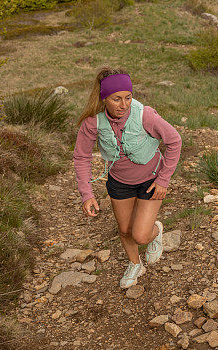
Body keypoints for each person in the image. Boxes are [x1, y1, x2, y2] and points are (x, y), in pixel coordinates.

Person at [73, 67, 182, 289]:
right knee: (124, 231)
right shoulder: (92, 123)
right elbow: (81, 157)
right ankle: (135, 264)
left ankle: (156, 231)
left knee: (140, 235)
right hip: (119, 182)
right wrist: (87, 194)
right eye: (117, 99)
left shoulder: (145, 115)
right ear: (104, 99)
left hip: (151, 180)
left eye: (128, 97)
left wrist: (163, 180)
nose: (124, 105)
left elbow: (174, 141)